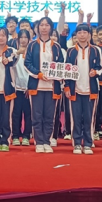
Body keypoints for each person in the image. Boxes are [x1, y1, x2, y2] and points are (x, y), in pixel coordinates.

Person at [24, 16, 64, 153]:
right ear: (38, 28)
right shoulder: (32, 45)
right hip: (36, 86)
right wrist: (39, 74)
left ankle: (47, 141)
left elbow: (61, 65)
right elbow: (27, 64)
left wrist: (56, 75)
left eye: (47, 25)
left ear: (51, 27)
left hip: (52, 87)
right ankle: (39, 142)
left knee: (49, 116)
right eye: (41, 25)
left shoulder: (57, 47)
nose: (44, 27)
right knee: (36, 115)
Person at [64, 24, 102, 155]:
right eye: (79, 32)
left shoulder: (96, 50)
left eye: (84, 32)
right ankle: (76, 143)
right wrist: (67, 86)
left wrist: (95, 72)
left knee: (89, 118)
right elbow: (67, 70)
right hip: (75, 90)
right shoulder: (70, 51)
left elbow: (100, 68)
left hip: (90, 90)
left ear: (89, 35)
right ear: (76, 35)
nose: (82, 35)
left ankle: (87, 143)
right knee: (75, 118)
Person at [12, 29, 32, 146]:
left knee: (28, 114)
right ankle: (15, 135)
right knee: (16, 113)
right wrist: (17, 53)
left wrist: (30, 86)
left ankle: (26, 136)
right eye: (21, 37)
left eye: (25, 37)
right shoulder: (14, 52)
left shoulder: (32, 52)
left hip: (29, 89)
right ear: (18, 39)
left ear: (29, 39)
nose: (23, 40)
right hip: (16, 89)